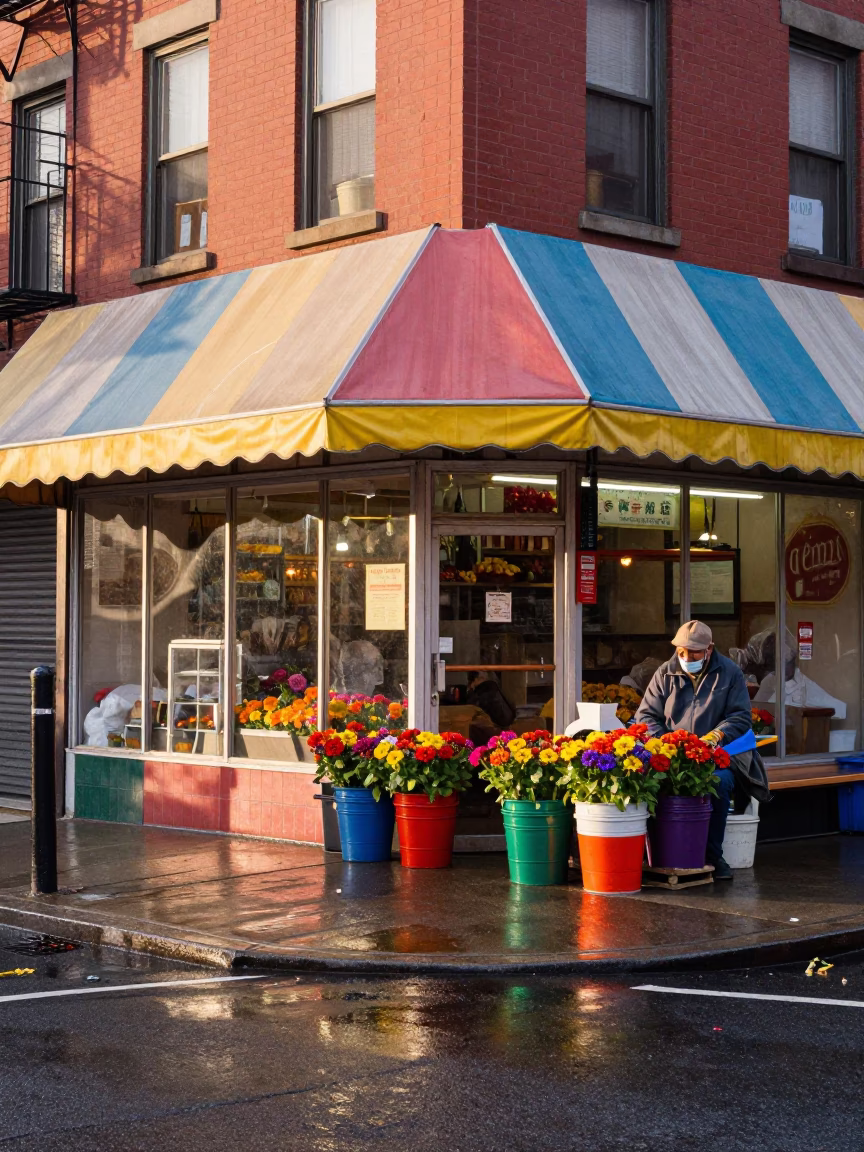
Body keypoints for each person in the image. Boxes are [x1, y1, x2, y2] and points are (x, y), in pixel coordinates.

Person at [635, 620, 770, 881]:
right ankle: (657, 854)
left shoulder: (730, 673)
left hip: (718, 754)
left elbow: (741, 717)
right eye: (681, 651)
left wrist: (715, 736)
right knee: (649, 782)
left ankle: (712, 855)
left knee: (717, 783)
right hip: (672, 754)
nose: (686, 657)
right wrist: (667, 741)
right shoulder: (665, 672)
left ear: (709, 648)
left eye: (694, 652)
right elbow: (646, 715)